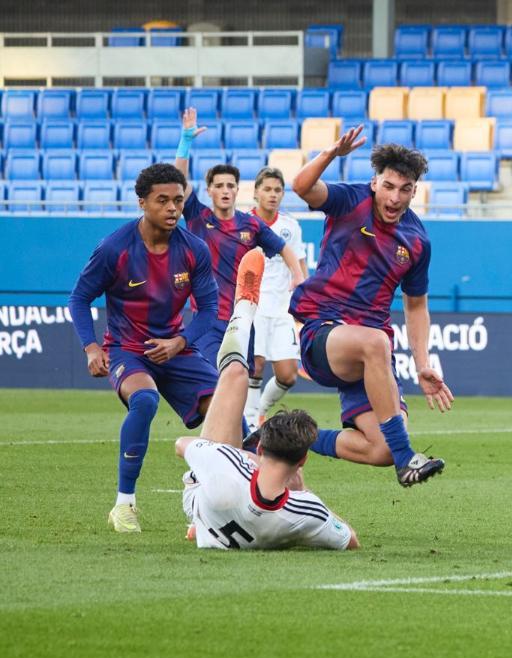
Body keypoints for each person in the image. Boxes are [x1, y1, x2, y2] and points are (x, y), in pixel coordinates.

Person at [279, 126, 453, 487]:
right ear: (375, 183)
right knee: (376, 342)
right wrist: (330, 154)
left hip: (371, 354)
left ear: (415, 191)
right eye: (389, 186)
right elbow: (301, 186)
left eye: (404, 189)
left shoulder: (417, 241)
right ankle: (407, 460)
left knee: (381, 448)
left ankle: (284, 435)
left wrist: (423, 364)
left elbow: (416, 306)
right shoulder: (350, 200)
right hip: (324, 330)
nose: (395, 197)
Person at [68, 163, 220, 533]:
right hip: (127, 349)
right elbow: (79, 298)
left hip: (175, 347)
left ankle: (226, 498)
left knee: (226, 408)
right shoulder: (114, 248)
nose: (172, 208)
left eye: (178, 201)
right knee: (146, 401)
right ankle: (124, 505)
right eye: (162, 200)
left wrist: (180, 342)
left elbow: (209, 309)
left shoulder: (195, 250)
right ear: (142, 202)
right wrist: (91, 348)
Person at [177, 249, 358, 550]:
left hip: (204, 500)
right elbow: (350, 539)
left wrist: (243, 457)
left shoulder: (227, 461)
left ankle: (244, 306)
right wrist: (302, 492)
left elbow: (181, 444)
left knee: (235, 373)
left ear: (260, 448)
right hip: (254, 521)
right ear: (302, 460)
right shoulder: (306, 511)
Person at [171, 108, 305, 368]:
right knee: (215, 378)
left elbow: (283, 247)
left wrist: (298, 276)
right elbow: (178, 181)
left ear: (237, 190)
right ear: (209, 190)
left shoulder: (251, 224)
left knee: (243, 380)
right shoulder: (198, 216)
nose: (225, 190)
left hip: (243, 318)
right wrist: (185, 141)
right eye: (219, 186)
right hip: (207, 319)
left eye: (230, 185)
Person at [243, 167, 308, 431]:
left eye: (278, 190)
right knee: (255, 365)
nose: (273, 194)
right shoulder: (243, 224)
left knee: (288, 375)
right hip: (253, 306)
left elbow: (301, 267)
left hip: (282, 311)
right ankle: (249, 425)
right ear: (256, 192)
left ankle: (259, 411)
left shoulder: (290, 226)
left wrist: (304, 299)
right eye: (267, 189)